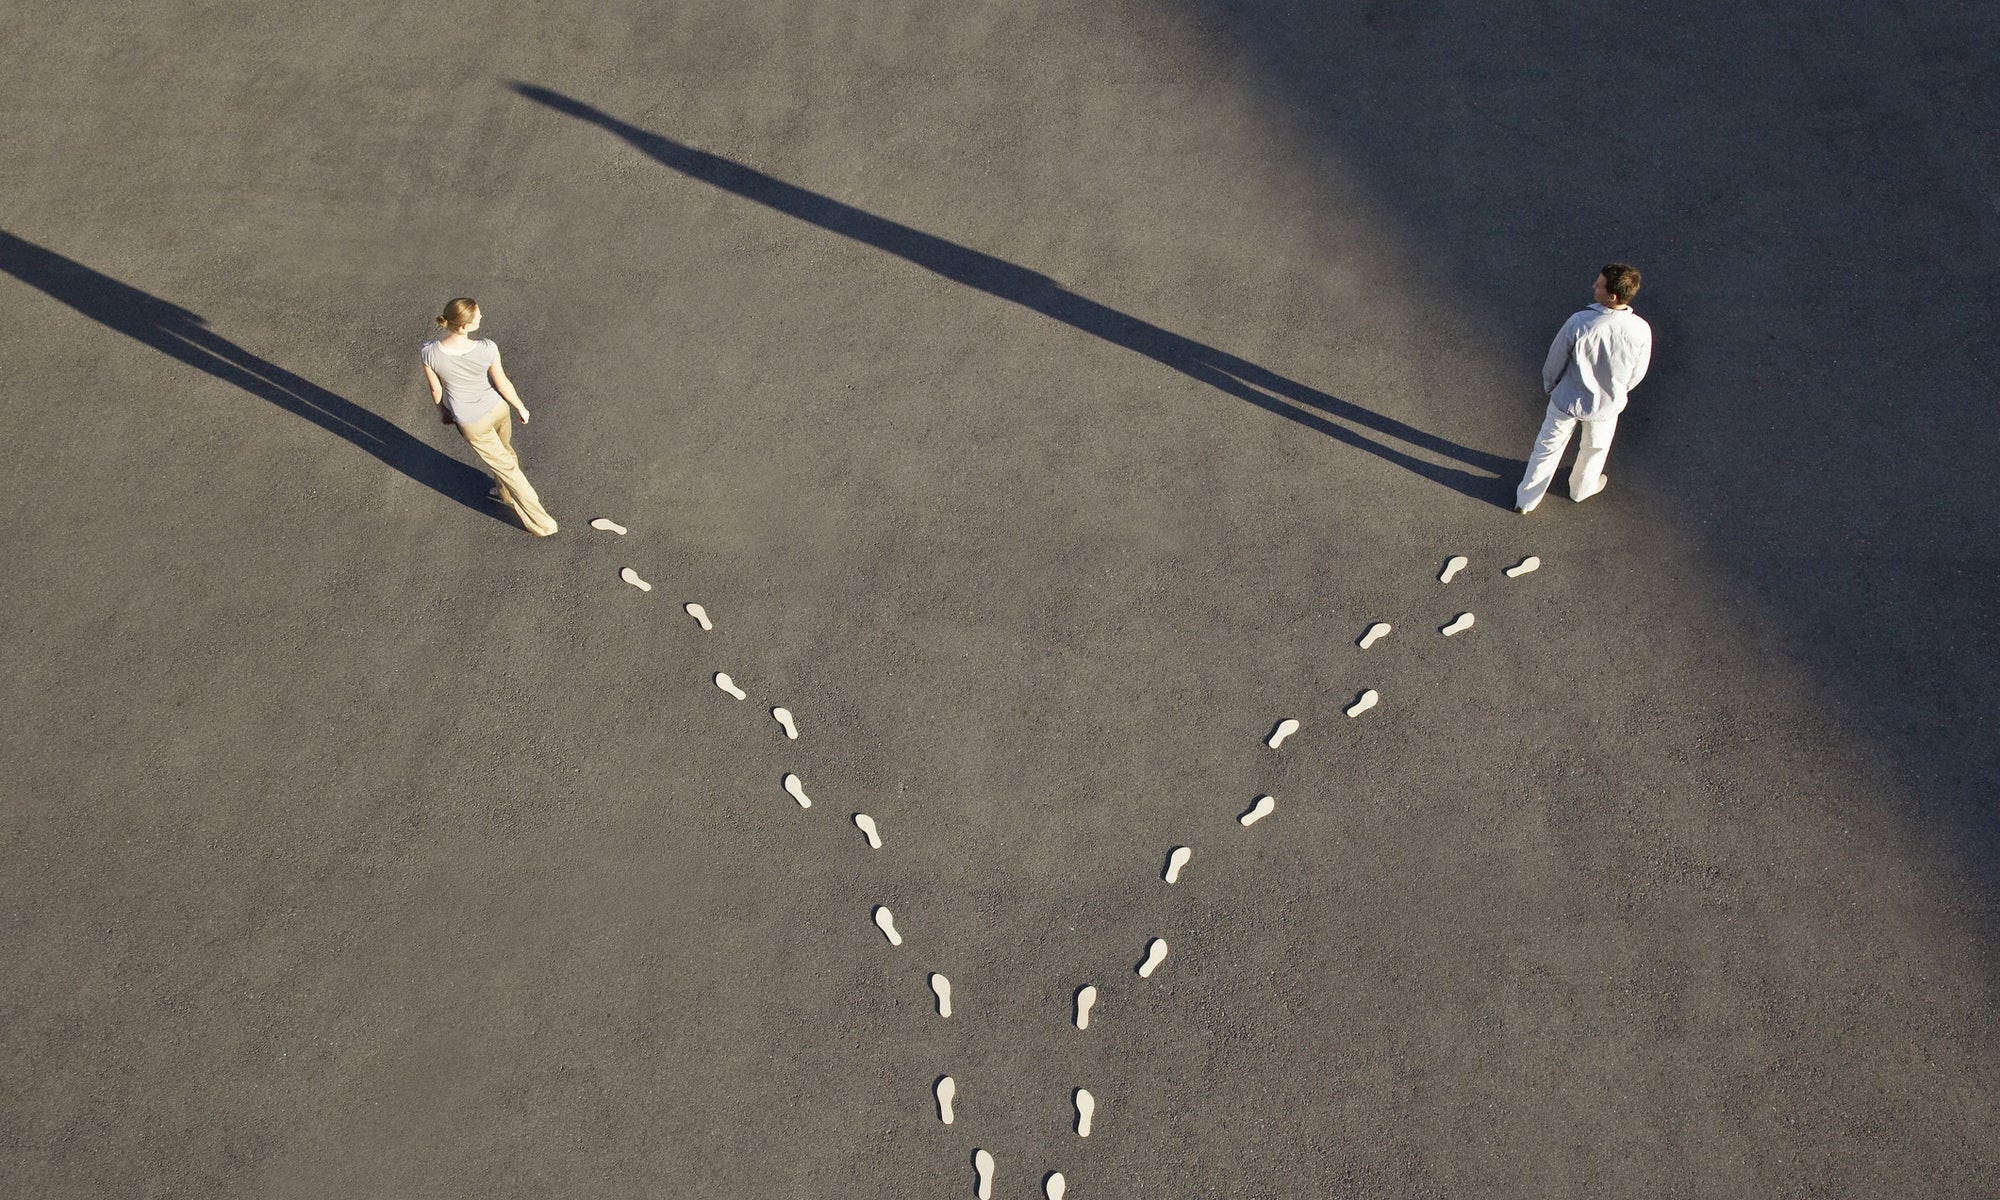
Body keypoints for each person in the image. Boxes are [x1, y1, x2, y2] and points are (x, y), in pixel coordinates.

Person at [1515, 264, 1652, 513]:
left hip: (1566, 400)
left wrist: (1551, 385)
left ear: (1612, 296)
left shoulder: (1580, 322)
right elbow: (1637, 373)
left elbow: (1555, 360)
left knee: (1547, 448)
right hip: (1605, 407)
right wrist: (1619, 391)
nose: (1593, 286)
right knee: (1594, 449)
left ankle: (1526, 500)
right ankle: (1581, 489)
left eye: (1599, 285)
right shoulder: (1641, 330)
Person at [420, 298, 559, 536]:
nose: (481, 317)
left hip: (471, 422)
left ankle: (543, 524)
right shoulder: (487, 347)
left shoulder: (429, 352)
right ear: (464, 325)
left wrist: (442, 410)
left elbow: (436, 390)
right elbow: (503, 384)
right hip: (497, 409)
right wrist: (520, 407)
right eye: (477, 316)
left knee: (506, 466)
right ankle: (507, 495)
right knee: (505, 456)